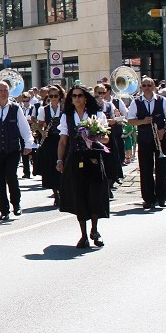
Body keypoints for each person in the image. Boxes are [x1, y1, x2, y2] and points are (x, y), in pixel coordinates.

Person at [56, 85, 111, 248]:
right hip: (75, 159)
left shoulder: (97, 114)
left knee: (95, 195)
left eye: (80, 95)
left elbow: (107, 139)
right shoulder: (67, 117)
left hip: (93, 159)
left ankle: (95, 230)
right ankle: (83, 235)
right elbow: (63, 141)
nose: (77, 99)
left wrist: (96, 135)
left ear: (86, 97)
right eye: (74, 96)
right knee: (78, 196)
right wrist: (59, 160)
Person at [0, 80, 35, 221]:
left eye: (6, 90)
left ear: (9, 92)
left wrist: (28, 144)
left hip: (12, 149)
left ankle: (16, 204)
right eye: (1, 91)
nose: (3, 93)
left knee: (11, 176)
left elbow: (24, 128)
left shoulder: (16, 108)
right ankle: (4, 210)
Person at [126, 76, 166, 210]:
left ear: (154, 86)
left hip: (160, 137)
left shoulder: (162, 100)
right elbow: (130, 120)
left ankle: (162, 197)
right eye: (144, 85)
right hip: (144, 138)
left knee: (162, 168)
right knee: (145, 168)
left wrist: (163, 129)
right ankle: (148, 198)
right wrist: (142, 121)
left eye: (149, 85)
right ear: (141, 87)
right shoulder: (136, 102)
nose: (147, 88)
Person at [35, 85, 64, 205]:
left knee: (63, 164)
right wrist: (43, 132)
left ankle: (63, 191)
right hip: (50, 140)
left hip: (62, 139)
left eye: (55, 96)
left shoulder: (65, 108)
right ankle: (56, 194)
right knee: (51, 166)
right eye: (51, 96)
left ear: (60, 96)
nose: (53, 98)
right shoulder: (44, 110)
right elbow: (39, 125)